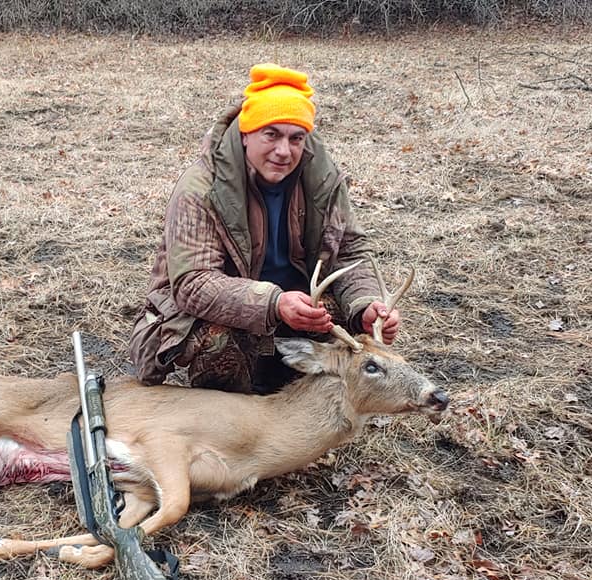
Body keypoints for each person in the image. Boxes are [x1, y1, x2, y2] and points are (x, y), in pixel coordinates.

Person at [129, 63, 401, 394]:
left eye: (296, 138)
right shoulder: (200, 189)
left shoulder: (323, 181)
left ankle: (293, 387)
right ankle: (230, 415)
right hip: (234, 311)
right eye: (270, 134)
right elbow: (193, 285)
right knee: (217, 340)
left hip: (297, 306)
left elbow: (349, 251)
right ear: (246, 134)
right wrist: (273, 303)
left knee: (355, 333)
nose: (284, 151)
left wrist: (365, 305)